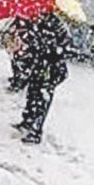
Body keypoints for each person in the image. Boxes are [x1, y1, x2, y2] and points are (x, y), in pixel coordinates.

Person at [12, 9, 73, 145]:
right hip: (37, 67)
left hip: (51, 69)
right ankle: (27, 121)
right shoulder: (31, 23)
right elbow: (30, 43)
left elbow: (66, 47)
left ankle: (36, 131)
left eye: (41, 13)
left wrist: (50, 49)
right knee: (32, 94)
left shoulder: (57, 25)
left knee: (42, 99)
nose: (37, 16)